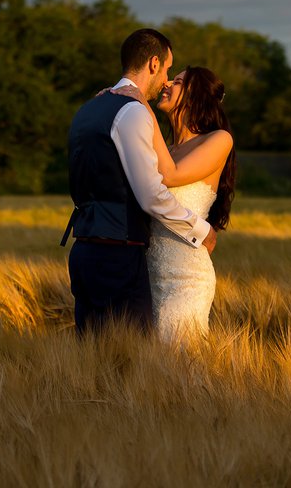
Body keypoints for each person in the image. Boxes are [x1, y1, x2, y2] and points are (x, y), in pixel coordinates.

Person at [60, 29, 217, 334]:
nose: (167, 79)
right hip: (118, 254)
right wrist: (201, 230)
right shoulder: (131, 111)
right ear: (154, 63)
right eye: (168, 69)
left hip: (83, 251)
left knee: (93, 361)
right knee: (128, 363)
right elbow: (151, 195)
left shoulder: (88, 109)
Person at [112, 66, 235, 342]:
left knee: (181, 368)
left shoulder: (218, 140)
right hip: (149, 278)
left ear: (195, 96)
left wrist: (142, 104)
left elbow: (171, 174)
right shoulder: (165, 150)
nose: (166, 83)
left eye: (177, 82)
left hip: (186, 280)